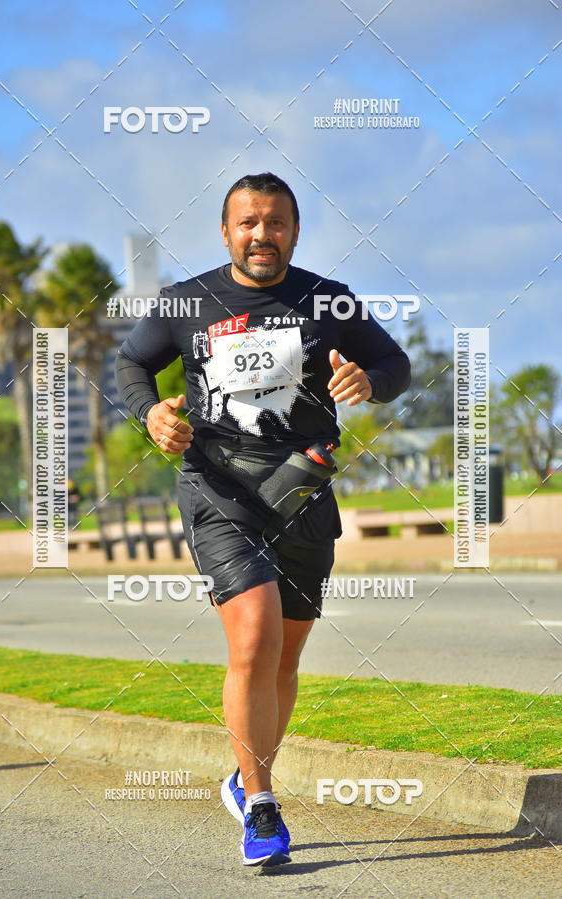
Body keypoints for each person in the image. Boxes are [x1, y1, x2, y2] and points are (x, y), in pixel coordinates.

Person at [116, 172, 410, 867]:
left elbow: (394, 361)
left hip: (305, 492)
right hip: (220, 493)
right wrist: (150, 411)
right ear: (226, 232)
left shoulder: (327, 300)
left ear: (294, 231)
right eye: (248, 222)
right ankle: (262, 804)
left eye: (275, 222)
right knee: (254, 634)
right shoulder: (186, 303)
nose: (261, 234)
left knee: (283, 658)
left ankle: (244, 773)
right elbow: (131, 363)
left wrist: (369, 381)